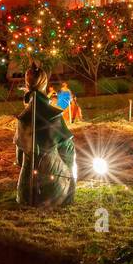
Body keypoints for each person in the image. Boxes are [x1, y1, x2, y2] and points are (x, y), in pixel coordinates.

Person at [16, 62, 76, 207]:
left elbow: (18, 158)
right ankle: (64, 193)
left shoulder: (24, 117)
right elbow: (68, 150)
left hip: (25, 190)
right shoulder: (52, 116)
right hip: (52, 188)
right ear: (44, 84)